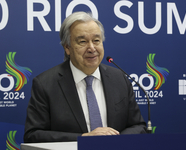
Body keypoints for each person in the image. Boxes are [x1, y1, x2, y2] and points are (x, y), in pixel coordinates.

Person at [24, 11, 146, 143]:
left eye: (96, 41)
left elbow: (138, 126)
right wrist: (82, 139)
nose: (92, 48)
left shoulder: (119, 78)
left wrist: (114, 140)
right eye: (82, 42)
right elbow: (33, 135)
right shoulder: (45, 84)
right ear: (67, 48)